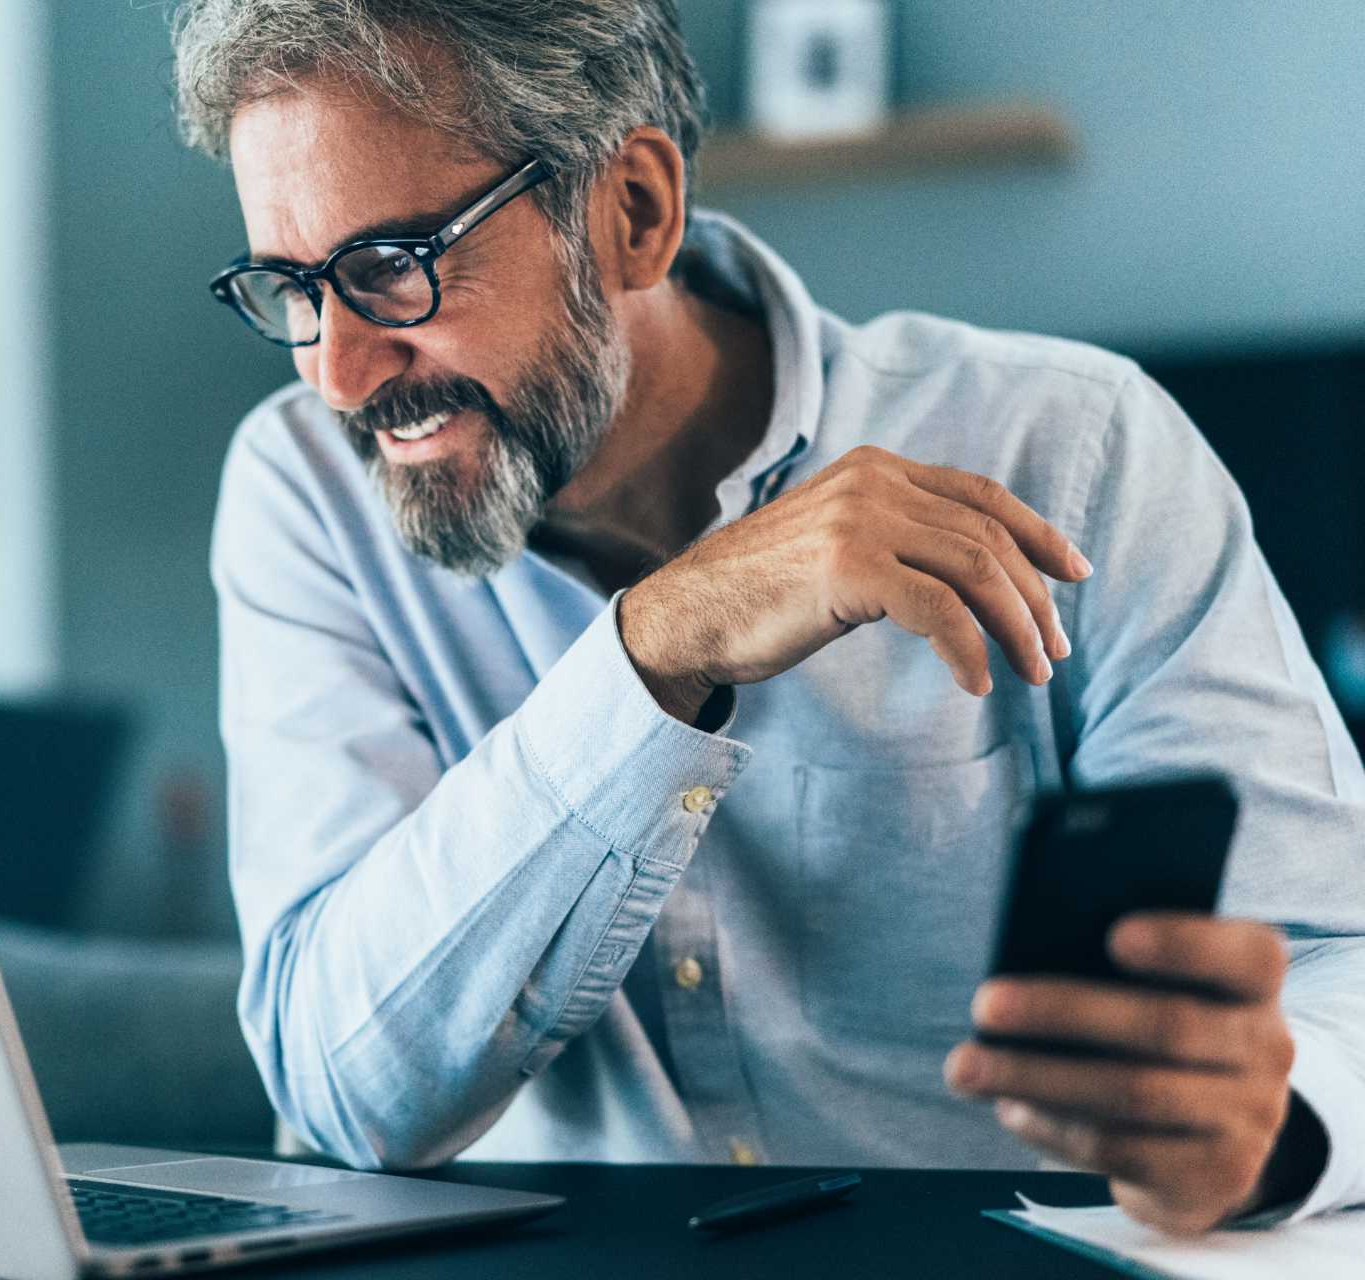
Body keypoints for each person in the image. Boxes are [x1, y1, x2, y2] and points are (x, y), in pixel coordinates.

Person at [173, 0, 1365, 1234]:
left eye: (390, 269)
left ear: (632, 210)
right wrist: (658, 647)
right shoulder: (308, 492)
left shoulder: (1073, 448)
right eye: (291, 285)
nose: (335, 371)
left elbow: (1344, 960)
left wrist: (1275, 1124)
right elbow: (344, 1087)